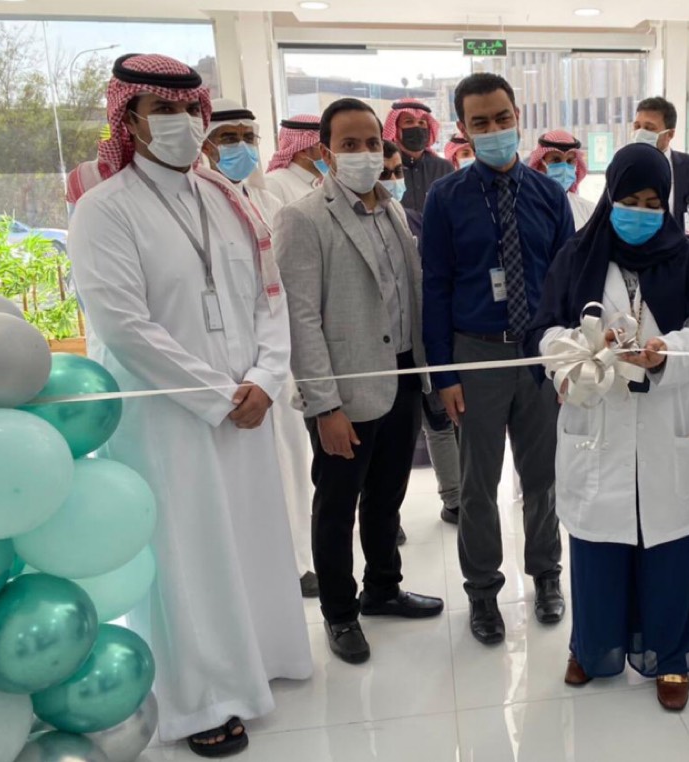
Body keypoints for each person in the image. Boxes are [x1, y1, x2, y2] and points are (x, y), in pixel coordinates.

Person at [66, 53, 312, 756]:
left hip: (248, 402)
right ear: (130, 119)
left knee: (252, 534)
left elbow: (271, 296)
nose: (181, 122)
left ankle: (263, 660)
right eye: (162, 110)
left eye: (188, 109)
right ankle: (200, 697)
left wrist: (264, 377)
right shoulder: (103, 208)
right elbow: (123, 325)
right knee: (188, 549)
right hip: (167, 414)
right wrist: (217, 396)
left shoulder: (227, 196)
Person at [528, 143, 689, 711]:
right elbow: (545, 330)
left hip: (670, 421)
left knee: (672, 545)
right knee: (599, 545)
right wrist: (578, 353)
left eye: (651, 202)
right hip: (600, 420)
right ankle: (593, 648)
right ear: (610, 196)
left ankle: (674, 655)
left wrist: (670, 350)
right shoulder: (577, 256)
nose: (639, 212)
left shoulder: (687, 257)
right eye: (629, 200)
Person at [274, 98, 445, 665]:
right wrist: (325, 406)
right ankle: (340, 612)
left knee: (388, 495)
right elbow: (301, 319)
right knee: (337, 505)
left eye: (372, 143)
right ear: (326, 153)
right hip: (344, 392)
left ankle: (383, 588)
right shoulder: (303, 218)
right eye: (350, 145)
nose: (364, 154)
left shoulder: (392, 209)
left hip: (402, 374)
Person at [422, 72, 571, 645]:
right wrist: (445, 374)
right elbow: (435, 287)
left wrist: (566, 360)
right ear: (462, 129)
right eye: (480, 122)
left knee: (543, 477)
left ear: (517, 117)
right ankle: (483, 591)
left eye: (502, 118)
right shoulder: (445, 198)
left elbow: (565, 283)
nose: (494, 130)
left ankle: (547, 574)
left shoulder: (549, 196)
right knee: (478, 485)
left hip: (539, 356)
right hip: (476, 355)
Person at [203, 99, 319, 597]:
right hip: (223, 369)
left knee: (292, 464)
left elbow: (283, 286)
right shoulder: (199, 203)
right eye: (227, 138)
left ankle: (299, 560)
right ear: (205, 144)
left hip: (276, 361)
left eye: (248, 137)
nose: (241, 148)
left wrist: (273, 362)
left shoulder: (268, 201)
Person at [381, 141, 464, 525]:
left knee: (439, 421)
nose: (393, 180)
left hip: (423, 338)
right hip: (378, 351)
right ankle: (387, 518)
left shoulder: (414, 219)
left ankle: (454, 499)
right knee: (384, 438)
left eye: (397, 172)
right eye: (385, 173)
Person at [632, 96, 689, 241]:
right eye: (637, 126)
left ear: (670, 134)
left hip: (684, 251)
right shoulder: (623, 168)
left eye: (649, 128)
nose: (640, 133)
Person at [384, 99, 453, 213]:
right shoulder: (385, 170)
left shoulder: (444, 168)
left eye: (422, 123)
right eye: (409, 122)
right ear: (396, 129)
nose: (417, 127)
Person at [528, 130, 596, 230]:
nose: (564, 167)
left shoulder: (588, 209)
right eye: (556, 160)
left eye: (569, 161)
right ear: (540, 165)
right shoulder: (527, 208)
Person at [265, 114, 324, 205]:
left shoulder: (323, 182)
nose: (332, 152)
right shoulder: (274, 184)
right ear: (302, 151)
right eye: (324, 147)